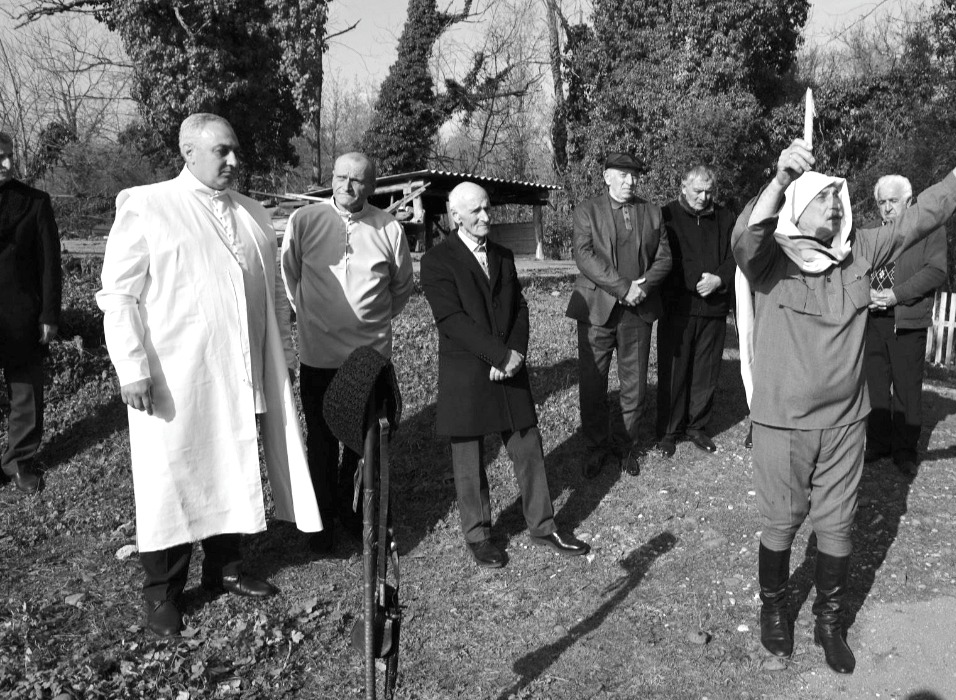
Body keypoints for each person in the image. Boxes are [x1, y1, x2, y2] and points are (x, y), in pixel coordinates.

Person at [733, 125, 956, 674]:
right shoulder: (769, 261)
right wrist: (782, 175)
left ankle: (830, 623)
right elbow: (746, 234)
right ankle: (775, 611)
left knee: (836, 525)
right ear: (796, 207)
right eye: (824, 201)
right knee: (781, 522)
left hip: (844, 426)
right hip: (782, 424)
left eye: (839, 200)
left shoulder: (858, 254)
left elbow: (915, 221)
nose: (837, 209)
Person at [97, 113, 322, 637]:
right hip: (176, 375)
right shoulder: (148, 205)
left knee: (232, 460)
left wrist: (278, 356)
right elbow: (118, 295)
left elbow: (271, 297)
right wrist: (131, 366)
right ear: (188, 152)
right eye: (222, 151)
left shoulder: (250, 213)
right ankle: (163, 595)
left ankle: (225, 567)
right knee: (172, 477)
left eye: (235, 150)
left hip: (243, 368)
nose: (234, 161)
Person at [422, 182, 590, 568]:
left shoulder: (502, 254)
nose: (486, 216)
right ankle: (479, 535)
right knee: (468, 458)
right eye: (477, 211)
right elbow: (452, 320)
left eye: (487, 208)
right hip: (467, 370)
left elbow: (520, 308)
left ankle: (544, 525)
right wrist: (497, 356)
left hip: (509, 365)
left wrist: (515, 354)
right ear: (456, 217)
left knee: (527, 444)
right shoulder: (437, 261)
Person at [281, 152, 415, 553]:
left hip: (367, 358)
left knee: (363, 442)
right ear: (332, 178)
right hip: (318, 356)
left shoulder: (388, 227)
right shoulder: (304, 221)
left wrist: (369, 324)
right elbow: (291, 276)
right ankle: (319, 526)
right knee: (320, 441)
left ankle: (355, 512)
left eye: (357, 180)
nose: (346, 186)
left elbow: (402, 286)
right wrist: (313, 318)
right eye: (340, 177)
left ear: (370, 187)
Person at [565, 152, 671, 478]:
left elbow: (664, 257)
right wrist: (624, 287)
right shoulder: (587, 211)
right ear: (606, 176)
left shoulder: (652, 212)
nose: (630, 181)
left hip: (638, 311)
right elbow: (583, 256)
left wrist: (643, 286)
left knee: (634, 385)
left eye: (634, 175)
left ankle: (626, 447)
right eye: (623, 175)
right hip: (598, 309)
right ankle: (597, 446)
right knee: (593, 384)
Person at [864, 175, 947, 479]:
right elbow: (857, 268)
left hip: (907, 319)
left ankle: (904, 451)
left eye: (893, 201)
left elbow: (936, 271)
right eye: (882, 202)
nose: (887, 208)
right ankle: (878, 442)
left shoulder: (929, 230)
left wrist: (896, 295)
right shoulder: (872, 233)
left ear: (909, 201)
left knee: (907, 390)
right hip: (872, 319)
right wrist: (865, 294)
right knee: (874, 385)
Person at [654, 165, 736, 457]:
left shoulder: (725, 218)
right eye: (699, 191)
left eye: (709, 191)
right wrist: (694, 281)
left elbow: (734, 256)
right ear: (684, 188)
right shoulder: (667, 215)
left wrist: (719, 280)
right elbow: (664, 257)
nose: (704, 197)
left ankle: (697, 426)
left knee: (706, 370)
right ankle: (669, 430)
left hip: (713, 307)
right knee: (674, 370)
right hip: (679, 307)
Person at [0, 131, 61, 499]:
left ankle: (19, 461)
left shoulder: (35, 202)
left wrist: (49, 315)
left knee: (25, 395)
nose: (7, 164)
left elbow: (50, 266)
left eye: (9, 155)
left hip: (23, 315)